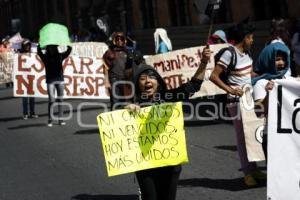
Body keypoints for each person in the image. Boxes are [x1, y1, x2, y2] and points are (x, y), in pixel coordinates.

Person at [125, 47, 211, 200]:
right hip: (145, 165)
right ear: (138, 84)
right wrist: (128, 110)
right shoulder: (134, 102)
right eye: (142, 78)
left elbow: (194, 85)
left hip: (170, 163)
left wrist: (204, 62)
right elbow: (119, 125)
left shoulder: (169, 97)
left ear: (158, 82)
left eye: (151, 77)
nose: (147, 81)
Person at [210, 21, 266, 187]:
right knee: (242, 138)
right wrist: (231, 90)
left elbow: (248, 74)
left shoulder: (247, 54)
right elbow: (214, 76)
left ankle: (254, 168)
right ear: (244, 38)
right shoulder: (229, 54)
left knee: (252, 135)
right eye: (251, 38)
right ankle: (247, 173)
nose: (253, 41)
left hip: (249, 101)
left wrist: (264, 76)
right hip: (236, 103)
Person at [252, 42, 291, 159]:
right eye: (277, 59)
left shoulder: (290, 81)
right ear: (267, 60)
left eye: (284, 59)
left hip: (291, 135)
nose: (282, 63)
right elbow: (259, 113)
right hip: (272, 135)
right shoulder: (261, 83)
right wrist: (269, 93)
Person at [37, 44, 72, 127]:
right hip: (50, 81)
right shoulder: (45, 57)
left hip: (60, 80)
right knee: (51, 100)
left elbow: (68, 51)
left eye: (53, 47)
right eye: (50, 47)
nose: (52, 49)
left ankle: (61, 119)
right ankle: (50, 119)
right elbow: (39, 52)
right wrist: (41, 43)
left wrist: (67, 44)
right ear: (48, 49)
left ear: (56, 48)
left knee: (60, 100)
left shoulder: (60, 56)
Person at [103, 31, 132, 110]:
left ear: (125, 40)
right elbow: (105, 68)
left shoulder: (129, 52)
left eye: (122, 39)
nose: (119, 41)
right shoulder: (109, 53)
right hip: (114, 80)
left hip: (126, 81)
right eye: (117, 39)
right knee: (116, 102)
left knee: (127, 102)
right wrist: (106, 82)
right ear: (114, 40)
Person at [20, 39, 38, 120]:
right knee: (24, 97)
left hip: (31, 78)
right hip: (23, 79)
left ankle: (32, 113)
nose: (27, 46)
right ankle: (25, 113)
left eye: (28, 45)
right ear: (23, 46)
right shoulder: (19, 55)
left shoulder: (33, 54)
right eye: (26, 45)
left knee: (32, 97)